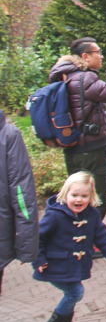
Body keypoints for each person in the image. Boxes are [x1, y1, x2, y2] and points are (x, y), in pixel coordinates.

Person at [48, 37, 106, 221]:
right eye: (97, 52)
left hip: (74, 148)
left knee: (77, 198)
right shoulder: (85, 78)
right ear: (85, 56)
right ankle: (87, 242)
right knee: (95, 200)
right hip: (91, 151)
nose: (101, 56)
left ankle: (78, 239)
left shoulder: (67, 76)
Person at [34, 172, 106, 322]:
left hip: (74, 266)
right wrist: (38, 260)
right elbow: (37, 238)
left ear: (91, 196)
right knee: (75, 292)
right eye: (74, 195)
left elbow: (102, 235)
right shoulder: (54, 215)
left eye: (84, 196)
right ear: (65, 193)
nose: (79, 200)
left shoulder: (91, 214)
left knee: (73, 293)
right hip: (54, 265)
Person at [1, 107, 38, 297]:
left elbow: (21, 193)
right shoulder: (8, 134)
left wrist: (26, 245)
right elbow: (21, 192)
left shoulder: (7, 135)